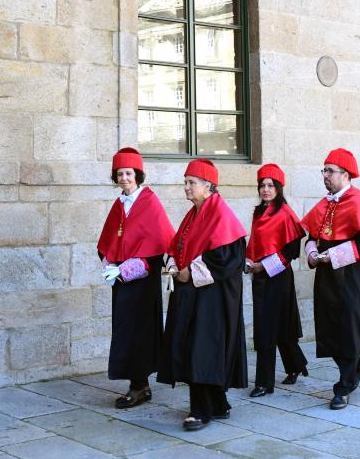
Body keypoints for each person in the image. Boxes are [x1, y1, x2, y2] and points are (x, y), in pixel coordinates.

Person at [158, 159, 248, 431]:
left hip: (212, 298)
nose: (186, 188)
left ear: (208, 186)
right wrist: (174, 265)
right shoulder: (193, 213)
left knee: (201, 349)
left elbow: (228, 257)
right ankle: (218, 403)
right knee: (194, 347)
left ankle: (201, 410)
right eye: (185, 182)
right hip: (192, 295)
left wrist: (189, 272)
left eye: (191, 183)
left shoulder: (220, 213)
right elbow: (177, 246)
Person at [301, 149, 360, 410]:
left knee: (348, 327)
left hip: (350, 275)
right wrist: (312, 251)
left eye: (330, 171)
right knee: (328, 325)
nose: (325, 175)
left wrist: (332, 256)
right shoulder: (325, 203)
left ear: (345, 175)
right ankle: (356, 365)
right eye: (324, 170)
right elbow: (312, 233)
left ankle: (343, 387)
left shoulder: (357, 201)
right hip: (326, 275)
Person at [97, 148, 175, 408]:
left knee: (140, 333)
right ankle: (138, 383)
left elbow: (157, 250)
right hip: (122, 285)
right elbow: (108, 241)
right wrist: (110, 265)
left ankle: (139, 386)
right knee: (125, 332)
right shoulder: (119, 204)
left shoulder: (149, 201)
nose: (124, 178)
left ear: (138, 175)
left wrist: (123, 270)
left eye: (129, 173)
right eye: (120, 174)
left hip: (142, 284)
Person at [245, 164, 308, 398]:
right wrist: (249, 261)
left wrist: (266, 266)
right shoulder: (258, 212)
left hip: (278, 277)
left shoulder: (285, 214)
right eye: (262, 185)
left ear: (279, 188)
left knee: (268, 328)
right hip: (260, 276)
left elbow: (291, 250)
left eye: (270, 186)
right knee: (277, 326)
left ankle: (264, 382)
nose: (265, 189)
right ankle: (295, 366)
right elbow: (255, 243)